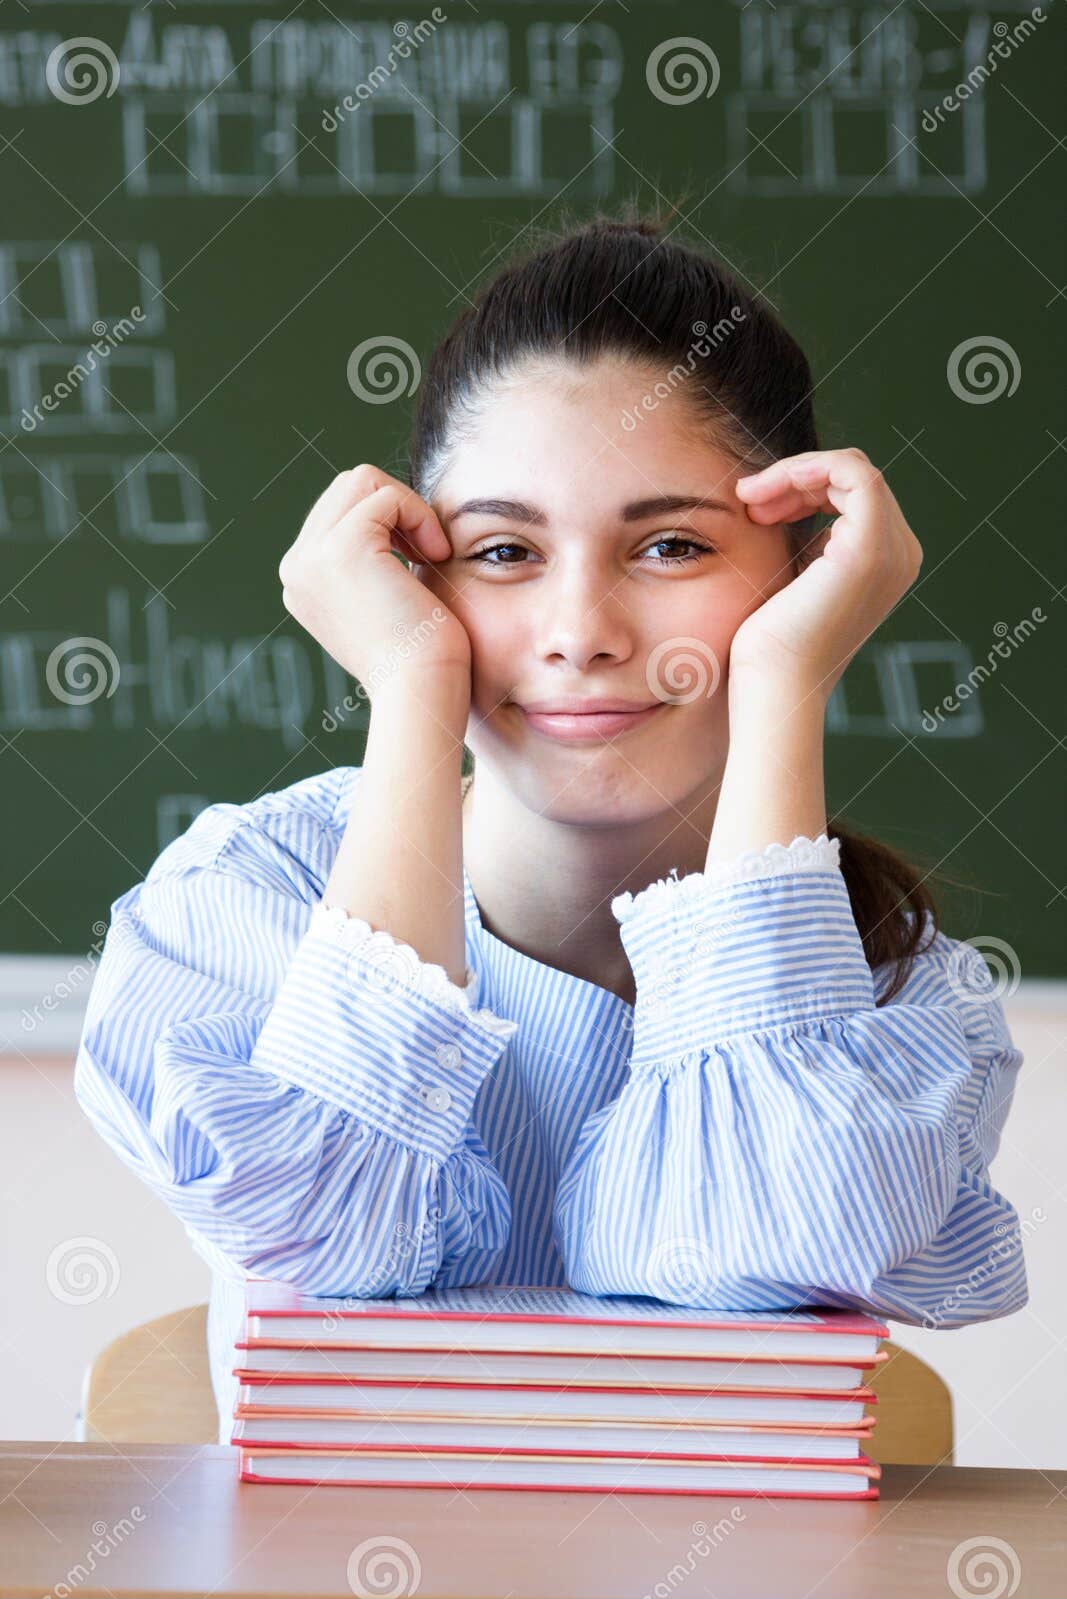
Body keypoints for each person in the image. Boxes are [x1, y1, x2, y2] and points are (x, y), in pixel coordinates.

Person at [74, 211, 1027, 1442]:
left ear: (798, 577)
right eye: (505, 551)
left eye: (671, 544)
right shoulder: (240, 907)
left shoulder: (893, 999)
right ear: (420, 574)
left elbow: (743, 1237)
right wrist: (414, 689)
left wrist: (788, 681)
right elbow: (336, 1246)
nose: (581, 631)